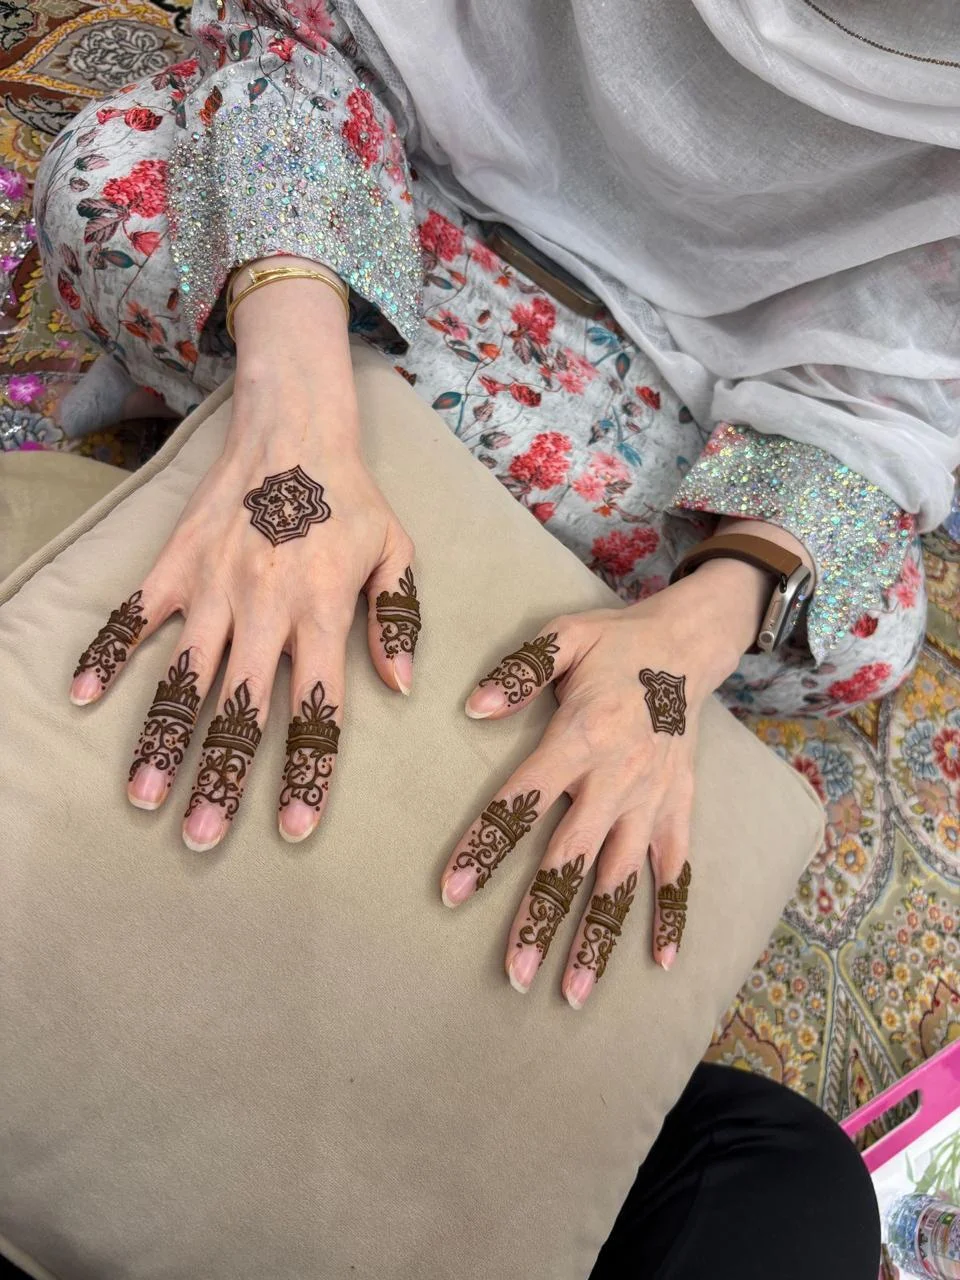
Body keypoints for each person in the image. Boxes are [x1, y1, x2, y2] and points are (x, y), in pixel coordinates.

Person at [32, 2, 942, 1273]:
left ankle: (402, 470)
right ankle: (372, 459)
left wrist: (689, 636)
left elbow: (896, 391)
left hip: (685, 388)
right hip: (392, 194)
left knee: (863, 627)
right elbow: (302, 36)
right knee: (114, 185)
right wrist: (296, 423)